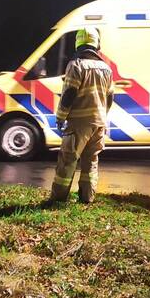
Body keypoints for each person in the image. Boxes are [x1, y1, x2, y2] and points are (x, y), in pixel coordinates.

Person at [47, 26, 113, 204]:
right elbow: (110, 97)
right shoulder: (106, 68)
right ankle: (87, 197)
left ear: (78, 44)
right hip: (99, 123)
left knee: (67, 161)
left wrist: (60, 117)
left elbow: (69, 94)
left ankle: (58, 198)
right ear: (96, 44)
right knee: (91, 161)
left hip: (79, 123)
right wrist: (102, 115)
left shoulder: (76, 65)